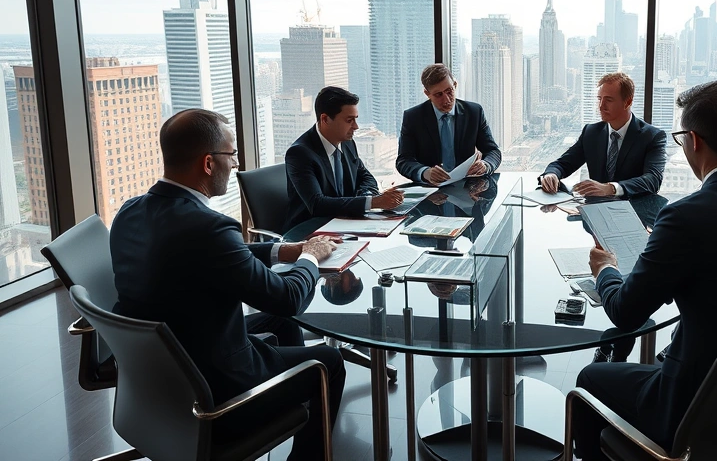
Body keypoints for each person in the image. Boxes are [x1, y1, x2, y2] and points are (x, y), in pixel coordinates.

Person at [573, 81, 717, 460]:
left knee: (589, 380)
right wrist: (665, 247)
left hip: (702, 400)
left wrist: (606, 269)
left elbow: (625, 312)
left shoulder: (686, 216)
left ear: (694, 141)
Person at [110, 108, 345, 461]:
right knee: (328, 359)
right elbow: (288, 298)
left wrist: (283, 250)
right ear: (208, 163)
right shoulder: (210, 228)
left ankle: (289, 395)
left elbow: (208, 254)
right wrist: (310, 256)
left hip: (165, 368)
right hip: (215, 392)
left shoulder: (129, 212)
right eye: (231, 154)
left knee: (280, 325)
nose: (234, 163)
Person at [284, 86, 403, 231]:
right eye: (349, 120)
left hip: (345, 224)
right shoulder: (300, 153)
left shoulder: (347, 143)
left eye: (355, 119)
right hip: (310, 231)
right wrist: (373, 202)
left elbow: (366, 177)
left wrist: (366, 195)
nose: (356, 126)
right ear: (325, 119)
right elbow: (317, 204)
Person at [540, 72, 666, 198]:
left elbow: (653, 180)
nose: (601, 106)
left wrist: (611, 188)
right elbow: (563, 163)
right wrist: (552, 174)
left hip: (634, 210)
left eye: (608, 100)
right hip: (596, 209)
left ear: (628, 102)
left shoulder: (652, 136)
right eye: (599, 99)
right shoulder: (591, 132)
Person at [396, 63, 502, 185]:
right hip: (431, 191)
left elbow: (493, 151)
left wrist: (485, 165)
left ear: (455, 85)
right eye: (438, 94)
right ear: (427, 94)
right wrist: (425, 172)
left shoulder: (474, 112)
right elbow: (403, 161)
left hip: (467, 188)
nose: (446, 100)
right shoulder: (413, 117)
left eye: (449, 91)